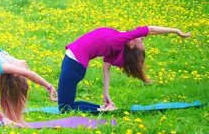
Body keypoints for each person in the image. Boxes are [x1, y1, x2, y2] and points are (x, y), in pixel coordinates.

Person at [58, 26, 191, 113]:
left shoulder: (120, 39)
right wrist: (106, 94)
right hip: (74, 64)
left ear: (132, 44)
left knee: (64, 109)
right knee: (67, 106)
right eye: (143, 41)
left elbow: (149, 29)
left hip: (73, 64)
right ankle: (104, 108)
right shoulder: (116, 45)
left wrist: (176, 31)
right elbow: (106, 69)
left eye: (141, 42)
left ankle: (104, 111)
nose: (142, 38)